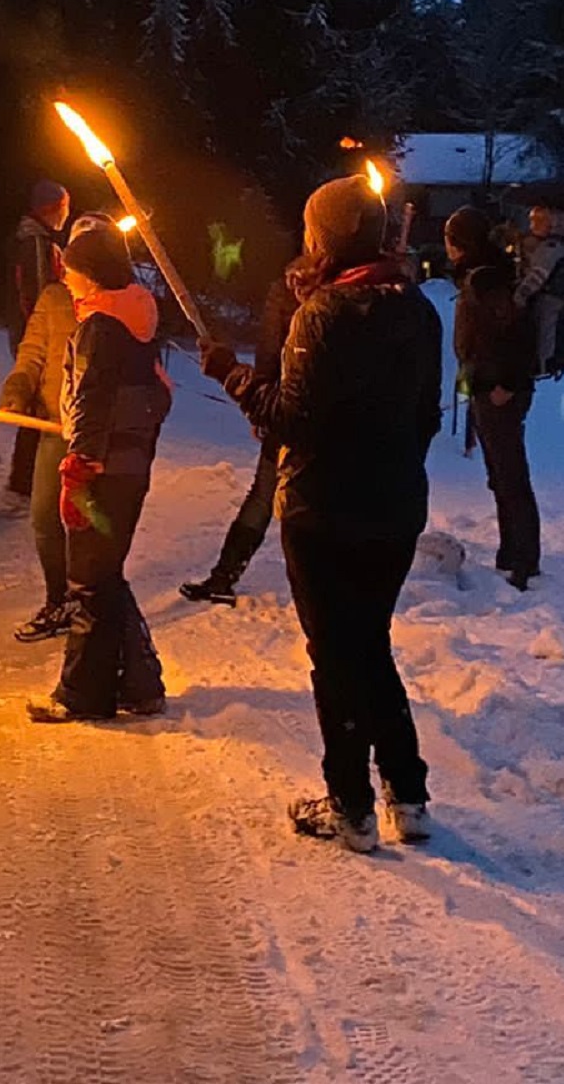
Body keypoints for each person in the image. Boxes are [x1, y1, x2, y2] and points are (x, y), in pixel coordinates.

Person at [204, 177, 442, 851]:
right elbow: (427, 416)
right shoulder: (418, 310)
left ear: (325, 237)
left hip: (324, 511)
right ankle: (409, 793)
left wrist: (230, 375)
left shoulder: (324, 315)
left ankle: (350, 807)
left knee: (336, 658)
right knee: (369, 646)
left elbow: (290, 421)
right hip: (395, 508)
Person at [27, 220, 172, 723]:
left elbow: (91, 400)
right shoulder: (137, 318)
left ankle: (82, 695)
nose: (66, 279)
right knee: (106, 575)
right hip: (130, 467)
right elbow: (158, 395)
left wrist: (78, 469)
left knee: (88, 580)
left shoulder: (99, 326)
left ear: (89, 273)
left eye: (71, 270)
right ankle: (140, 684)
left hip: (103, 471)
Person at [445, 203, 564, 589]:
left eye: (451, 241)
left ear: (463, 243)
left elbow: (510, 332)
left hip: (500, 389)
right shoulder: (483, 274)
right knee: (500, 474)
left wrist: (507, 383)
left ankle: (522, 560)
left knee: (509, 474)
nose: (448, 248)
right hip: (491, 385)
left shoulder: (486, 278)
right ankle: (511, 553)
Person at [0, 214, 104, 642]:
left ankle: (93, 604)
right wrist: (17, 389)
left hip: (97, 437)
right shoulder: (54, 299)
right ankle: (58, 598)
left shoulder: (115, 304)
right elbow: (31, 353)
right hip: (52, 427)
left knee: (90, 523)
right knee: (45, 516)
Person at [178, 268, 303, 606]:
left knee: (273, 498)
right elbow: (269, 353)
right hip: (290, 412)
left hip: (289, 412)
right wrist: (261, 408)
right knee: (267, 495)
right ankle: (224, 575)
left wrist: (261, 406)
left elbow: (269, 353)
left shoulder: (294, 290)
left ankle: (225, 575)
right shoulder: (295, 291)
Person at [4, 181, 71, 497]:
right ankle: (24, 482)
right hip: (36, 336)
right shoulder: (34, 244)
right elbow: (39, 295)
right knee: (35, 405)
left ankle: (26, 481)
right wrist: (40, 335)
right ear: (52, 209)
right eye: (63, 208)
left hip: (38, 333)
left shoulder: (41, 242)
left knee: (36, 404)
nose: (66, 215)